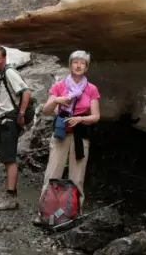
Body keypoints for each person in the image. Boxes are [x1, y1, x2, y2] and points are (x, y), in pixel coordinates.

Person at [35, 50, 100, 223]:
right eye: (75, 62)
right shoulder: (60, 86)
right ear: (70, 65)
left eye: (82, 63)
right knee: (52, 172)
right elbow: (46, 110)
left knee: (77, 177)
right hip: (61, 133)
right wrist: (56, 101)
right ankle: (43, 213)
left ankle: (74, 213)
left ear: (86, 67)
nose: (78, 65)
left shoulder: (91, 89)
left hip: (80, 135)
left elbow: (96, 116)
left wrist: (80, 118)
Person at [0, 45, 32, 210]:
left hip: (10, 120)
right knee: (6, 158)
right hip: (4, 119)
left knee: (9, 158)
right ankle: (9, 194)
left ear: (5, 58)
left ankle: (11, 197)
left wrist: (21, 114)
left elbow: (26, 92)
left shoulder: (9, 73)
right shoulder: (2, 75)